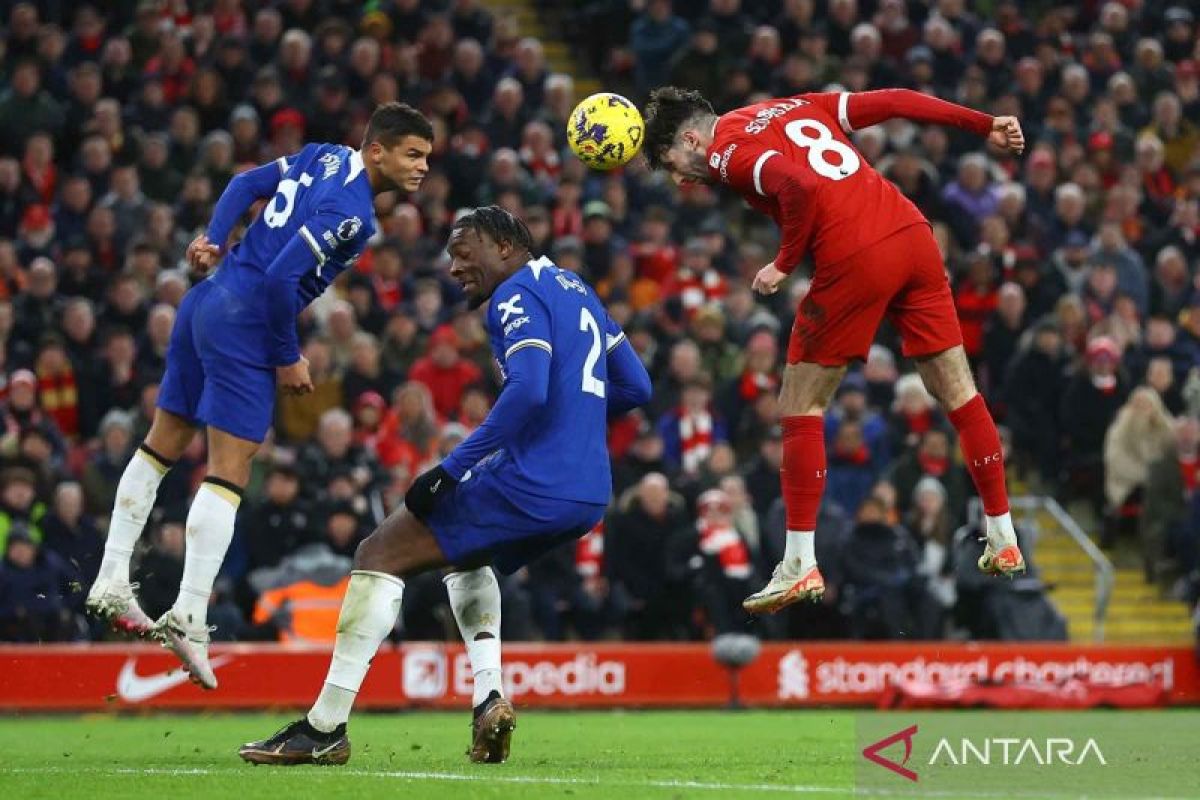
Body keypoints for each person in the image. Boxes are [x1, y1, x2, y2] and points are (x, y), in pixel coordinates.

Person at [238, 207, 651, 766]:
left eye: (465, 251)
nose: (454, 266)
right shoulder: (575, 287)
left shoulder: (514, 295)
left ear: (506, 247)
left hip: (534, 481)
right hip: (587, 491)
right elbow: (635, 385)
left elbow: (528, 391)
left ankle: (324, 728)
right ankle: (487, 700)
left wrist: (451, 468)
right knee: (464, 557)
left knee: (377, 552)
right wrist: (573, 419)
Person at [84, 103, 435, 689]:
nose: (423, 167)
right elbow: (280, 280)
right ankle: (190, 613)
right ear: (377, 150)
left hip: (206, 302)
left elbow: (245, 182)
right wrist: (286, 353)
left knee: (161, 445)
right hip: (247, 322)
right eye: (413, 154)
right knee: (230, 469)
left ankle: (112, 575)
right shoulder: (350, 214)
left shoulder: (322, 154)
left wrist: (212, 238)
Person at [641, 86, 1028, 615]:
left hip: (854, 252)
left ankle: (799, 562)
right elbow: (895, 99)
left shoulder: (725, 149)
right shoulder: (792, 105)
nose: (683, 178)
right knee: (958, 390)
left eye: (674, 164)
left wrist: (784, 262)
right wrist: (984, 123)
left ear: (691, 138)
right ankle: (1001, 532)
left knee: (800, 404)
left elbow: (796, 186)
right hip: (912, 234)